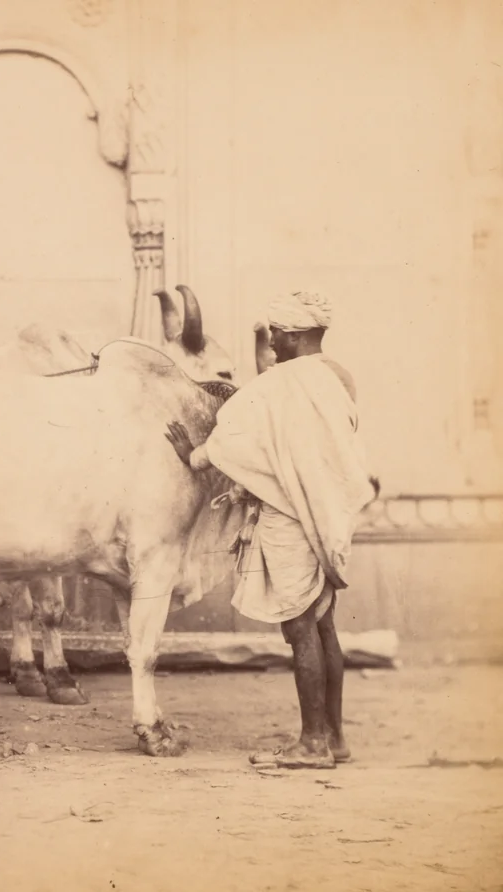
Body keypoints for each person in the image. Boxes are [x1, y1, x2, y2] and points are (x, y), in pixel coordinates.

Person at [164, 290, 378, 769]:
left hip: (290, 519)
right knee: (324, 628)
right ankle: (335, 738)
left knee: (299, 630)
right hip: (328, 519)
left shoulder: (275, 387)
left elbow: (232, 437)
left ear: (297, 335)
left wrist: (192, 457)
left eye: (279, 334)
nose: (274, 342)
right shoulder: (336, 377)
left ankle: (312, 744)